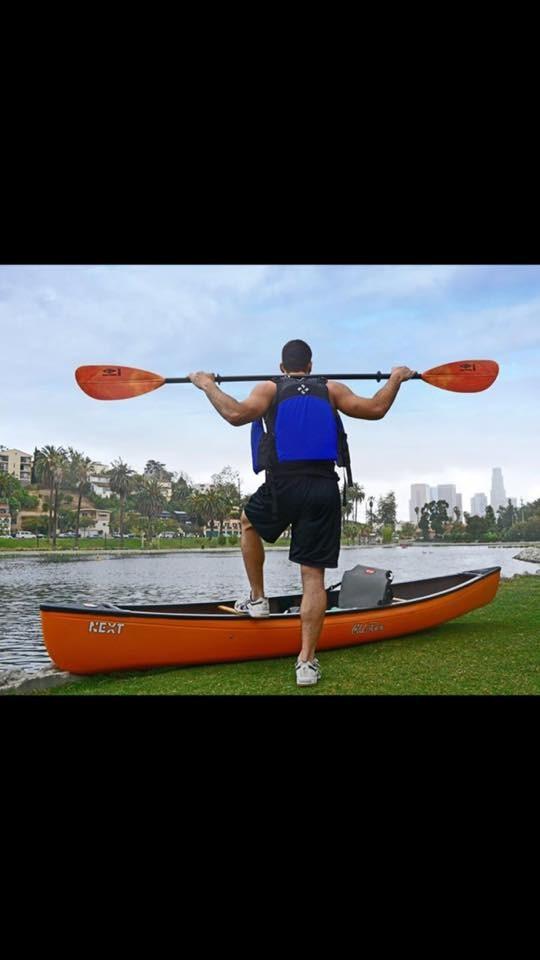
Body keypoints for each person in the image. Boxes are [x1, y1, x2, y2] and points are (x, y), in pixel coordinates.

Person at [188, 340, 414, 687]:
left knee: (248, 524)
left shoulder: (268, 388)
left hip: (283, 486)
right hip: (322, 488)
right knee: (312, 578)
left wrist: (207, 384)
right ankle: (306, 662)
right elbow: (375, 408)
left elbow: (235, 414)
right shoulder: (332, 389)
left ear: (282, 367)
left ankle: (258, 599)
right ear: (310, 365)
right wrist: (396, 378)